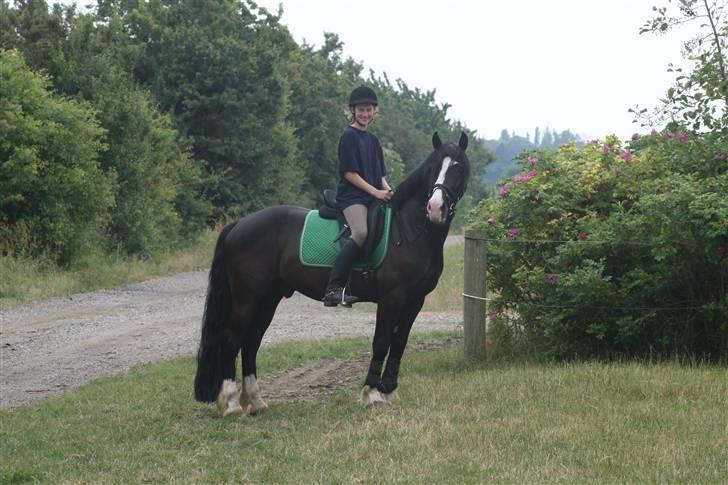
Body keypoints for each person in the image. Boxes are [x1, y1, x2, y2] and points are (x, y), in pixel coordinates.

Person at [323, 86, 393, 307]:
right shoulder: (348, 136)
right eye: (361, 110)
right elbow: (350, 173)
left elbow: (380, 175)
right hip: (352, 197)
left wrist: (389, 191)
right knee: (361, 232)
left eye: (369, 110)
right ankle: (333, 288)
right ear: (353, 111)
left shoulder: (373, 140)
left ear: (375, 111)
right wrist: (374, 192)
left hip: (372, 195)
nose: (365, 114)